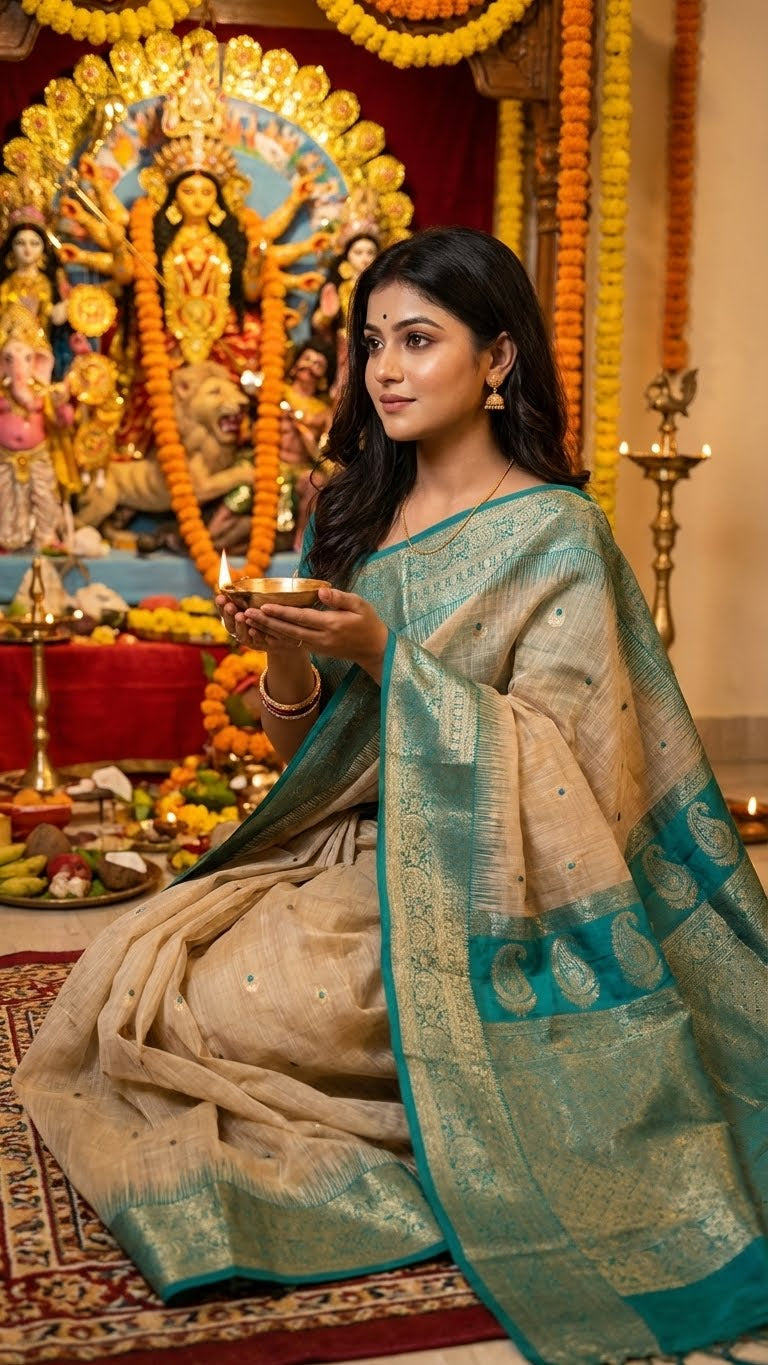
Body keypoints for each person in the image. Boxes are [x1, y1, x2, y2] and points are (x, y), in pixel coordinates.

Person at [14, 227, 768, 1365]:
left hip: (486, 885)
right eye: (373, 343)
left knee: (235, 1013)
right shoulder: (354, 513)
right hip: (347, 855)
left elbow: (568, 765)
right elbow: (302, 749)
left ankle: (455, 1109)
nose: (386, 370)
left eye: (419, 340)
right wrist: (286, 657)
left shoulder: (558, 534)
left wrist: (389, 658)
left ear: (498, 358)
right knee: (147, 976)